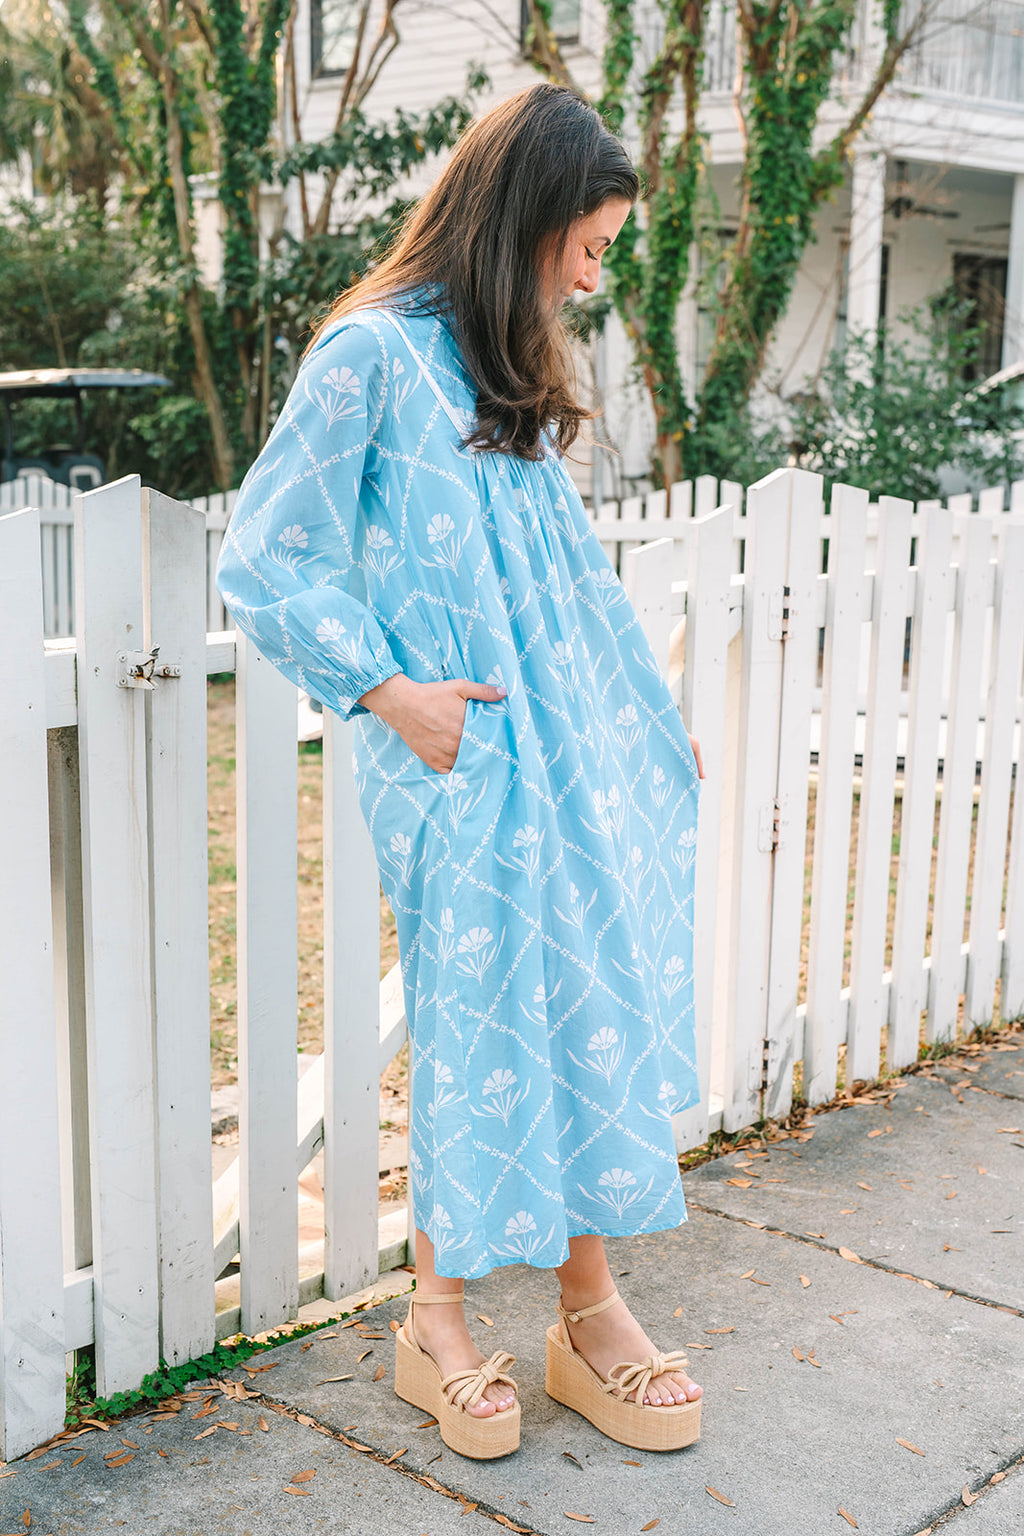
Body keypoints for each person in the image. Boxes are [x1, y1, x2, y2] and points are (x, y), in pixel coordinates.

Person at [216, 81, 706, 1461]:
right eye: (588, 246)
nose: (592, 276)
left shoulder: (501, 365)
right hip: (462, 753)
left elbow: (566, 575)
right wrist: (387, 691)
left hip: (564, 750)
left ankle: (588, 1311)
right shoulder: (370, 354)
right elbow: (266, 553)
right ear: (528, 215)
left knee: (583, 995)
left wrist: (639, 716)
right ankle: (435, 1323)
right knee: (477, 1011)